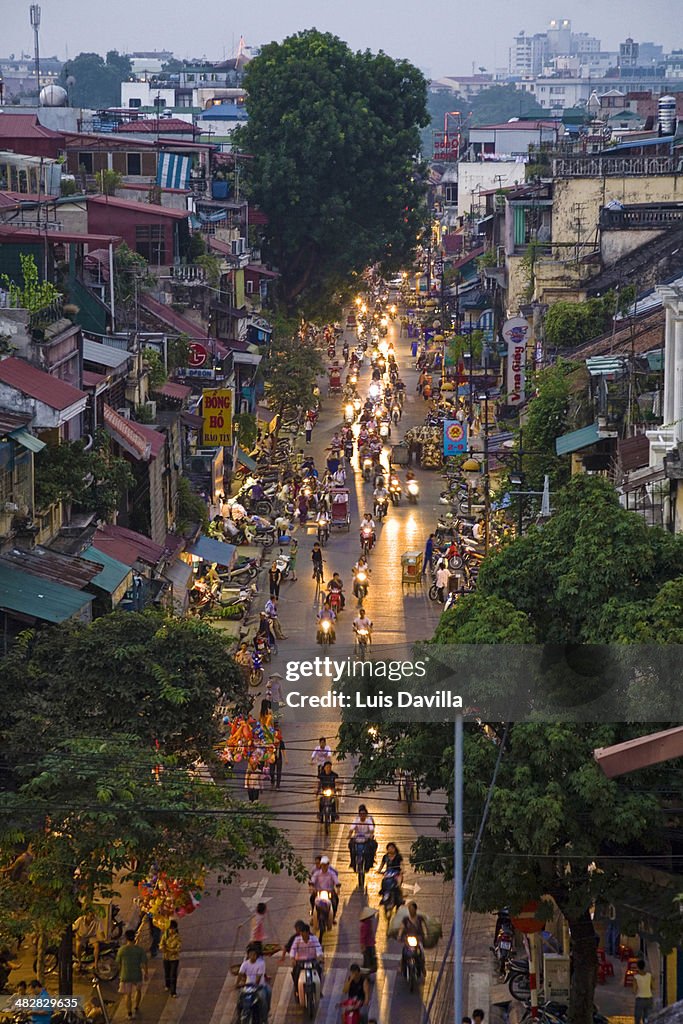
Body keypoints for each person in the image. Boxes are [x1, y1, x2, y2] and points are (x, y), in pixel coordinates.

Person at [116, 929, 148, 1019]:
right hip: (137, 974)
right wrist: (146, 973)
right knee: (138, 991)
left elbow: (118, 963)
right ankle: (136, 1006)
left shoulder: (122, 950)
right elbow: (144, 962)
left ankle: (129, 1013)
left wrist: (120, 972)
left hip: (125, 974)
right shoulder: (139, 950)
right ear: (134, 938)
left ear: (126, 938)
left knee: (128, 995)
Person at [236, 943, 270, 1021]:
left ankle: (264, 1019)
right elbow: (240, 974)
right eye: (250, 954)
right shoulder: (245, 964)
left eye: (254, 954)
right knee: (239, 1001)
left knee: (263, 1000)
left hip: (259, 987)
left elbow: (257, 980)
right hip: (247, 988)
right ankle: (239, 1018)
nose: (252, 956)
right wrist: (237, 984)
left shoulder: (261, 964)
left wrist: (253, 984)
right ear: (248, 954)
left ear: (257, 955)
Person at [290, 923, 324, 999]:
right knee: (295, 973)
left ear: (308, 932)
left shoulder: (314, 939)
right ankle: (297, 990)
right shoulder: (297, 940)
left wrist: (320, 956)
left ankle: (319, 990)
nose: (303, 936)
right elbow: (293, 949)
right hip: (300, 961)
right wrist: (292, 959)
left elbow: (318, 948)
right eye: (302, 933)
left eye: (305, 933)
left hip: (312, 960)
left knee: (319, 970)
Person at [398, 902, 427, 974]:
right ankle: (402, 966)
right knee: (404, 951)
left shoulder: (419, 918)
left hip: (418, 938)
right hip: (408, 938)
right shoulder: (406, 919)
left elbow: (424, 927)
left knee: (421, 952)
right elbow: (402, 927)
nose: (411, 911)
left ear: (415, 910)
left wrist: (425, 935)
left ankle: (423, 967)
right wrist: (399, 935)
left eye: (412, 909)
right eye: (409, 909)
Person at [310, 856, 341, 924]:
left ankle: (333, 917)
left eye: (325, 865)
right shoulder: (317, 873)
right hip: (319, 892)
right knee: (312, 898)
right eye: (323, 865)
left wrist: (338, 887)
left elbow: (336, 880)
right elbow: (313, 879)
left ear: (328, 865)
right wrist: (311, 886)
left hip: (330, 892)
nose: (324, 867)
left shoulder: (331, 873)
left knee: (335, 901)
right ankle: (313, 914)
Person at [348, 804, 376, 869]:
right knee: (351, 846)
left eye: (364, 814)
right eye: (361, 814)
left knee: (372, 846)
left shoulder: (369, 820)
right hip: (357, 838)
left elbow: (371, 829)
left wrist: (371, 835)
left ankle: (371, 861)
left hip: (367, 838)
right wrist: (350, 834)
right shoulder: (356, 820)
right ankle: (352, 862)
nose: (362, 816)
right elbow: (352, 828)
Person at [159, 920, 181, 998]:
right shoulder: (165, 935)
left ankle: (173, 991)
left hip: (174, 958)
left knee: (173, 974)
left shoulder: (177, 937)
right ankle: (167, 985)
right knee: (167, 973)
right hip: (166, 957)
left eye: (173, 928)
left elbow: (178, 949)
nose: (171, 930)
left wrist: (169, 950)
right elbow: (161, 945)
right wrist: (163, 949)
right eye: (170, 928)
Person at [359, 907, 378, 974]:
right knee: (368, 962)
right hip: (368, 946)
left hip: (370, 945)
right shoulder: (365, 925)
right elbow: (363, 937)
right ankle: (365, 975)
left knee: (369, 961)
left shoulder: (368, 923)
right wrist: (363, 946)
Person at [269, 722, 287, 789]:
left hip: (279, 757)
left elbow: (283, 750)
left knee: (279, 772)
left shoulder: (281, 742)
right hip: (272, 757)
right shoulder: (271, 742)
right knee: (271, 771)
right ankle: (272, 780)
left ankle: (278, 785)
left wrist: (286, 759)